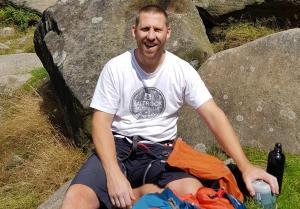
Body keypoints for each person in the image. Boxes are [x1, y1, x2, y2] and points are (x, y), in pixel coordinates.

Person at [61, 4, 279, 209]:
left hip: (160, 152)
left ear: (168, 33)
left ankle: (137, 194)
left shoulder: (181, 70)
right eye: (145, 28)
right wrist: (113, 173)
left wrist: (245, 166)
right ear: (134, 32)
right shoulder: (116, 68)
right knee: (76, 199)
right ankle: (142, 193)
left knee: (192, 194)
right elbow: (100, 122)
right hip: (117, 148)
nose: (151, 35)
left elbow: (213, 115)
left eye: (157, 29)